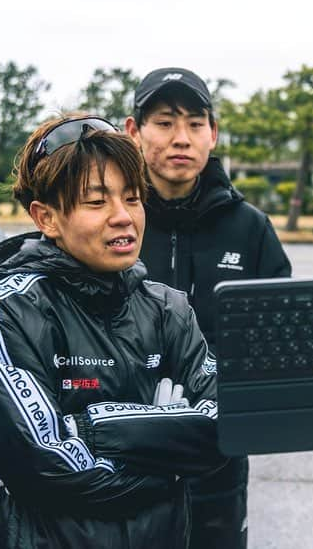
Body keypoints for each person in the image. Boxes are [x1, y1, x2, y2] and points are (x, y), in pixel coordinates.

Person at [0, 114, 227, 548]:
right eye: (96, 202)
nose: (123, 217)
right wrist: (169, 460)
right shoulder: (7, 313)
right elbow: (46, 469)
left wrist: (85, 429)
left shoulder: (168, 309)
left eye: (133, 198)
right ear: (47, 218)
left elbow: (223, 427)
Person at [126, 67, 292, 549]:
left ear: (213, 134)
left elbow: (278, 335)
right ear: (133, 131)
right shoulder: (115, 221)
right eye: (164, 122)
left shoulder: (250, 227)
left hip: (218, 451)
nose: (182, 138)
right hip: (125, 453)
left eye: (195, 124)